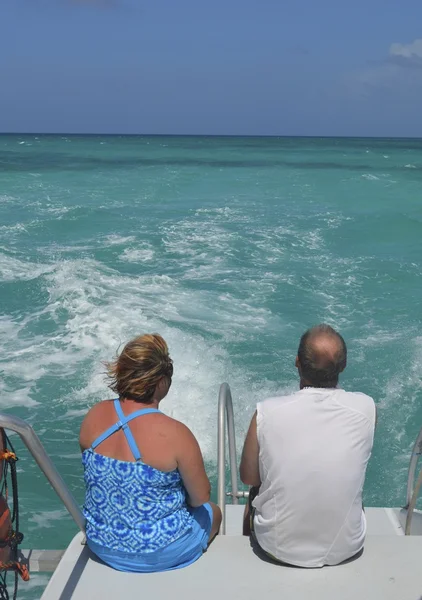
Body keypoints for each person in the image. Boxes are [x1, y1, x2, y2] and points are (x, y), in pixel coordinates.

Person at [80, 333, 221, 572]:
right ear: (161, 383)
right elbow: (199, 498)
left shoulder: (94, 416)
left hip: (102, 545)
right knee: (213, 512)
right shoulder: (176, 433)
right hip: (162, 552)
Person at [240, 324, 376, 568]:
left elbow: (249, 477)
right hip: (348, 548)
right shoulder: (366, 408)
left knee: (255, 492)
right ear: (343, 366)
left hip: (278, 550)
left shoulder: (266, 412)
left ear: (297, 362)